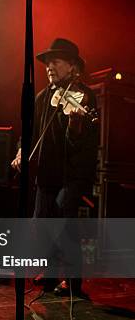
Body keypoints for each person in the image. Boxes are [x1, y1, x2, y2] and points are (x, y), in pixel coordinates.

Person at [11, 38, 98, 296]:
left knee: (65, 228)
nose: (49, 67)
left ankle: (72, 282)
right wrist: (20, 150)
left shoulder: (86, 96)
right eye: (47, 63)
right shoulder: (42, 97)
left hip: (72, 174)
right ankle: (48, 276)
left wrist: (75, 125)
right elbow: (30, 131)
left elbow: (79, 144)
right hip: (46, 172)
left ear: (72, 66)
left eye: (56, 62)